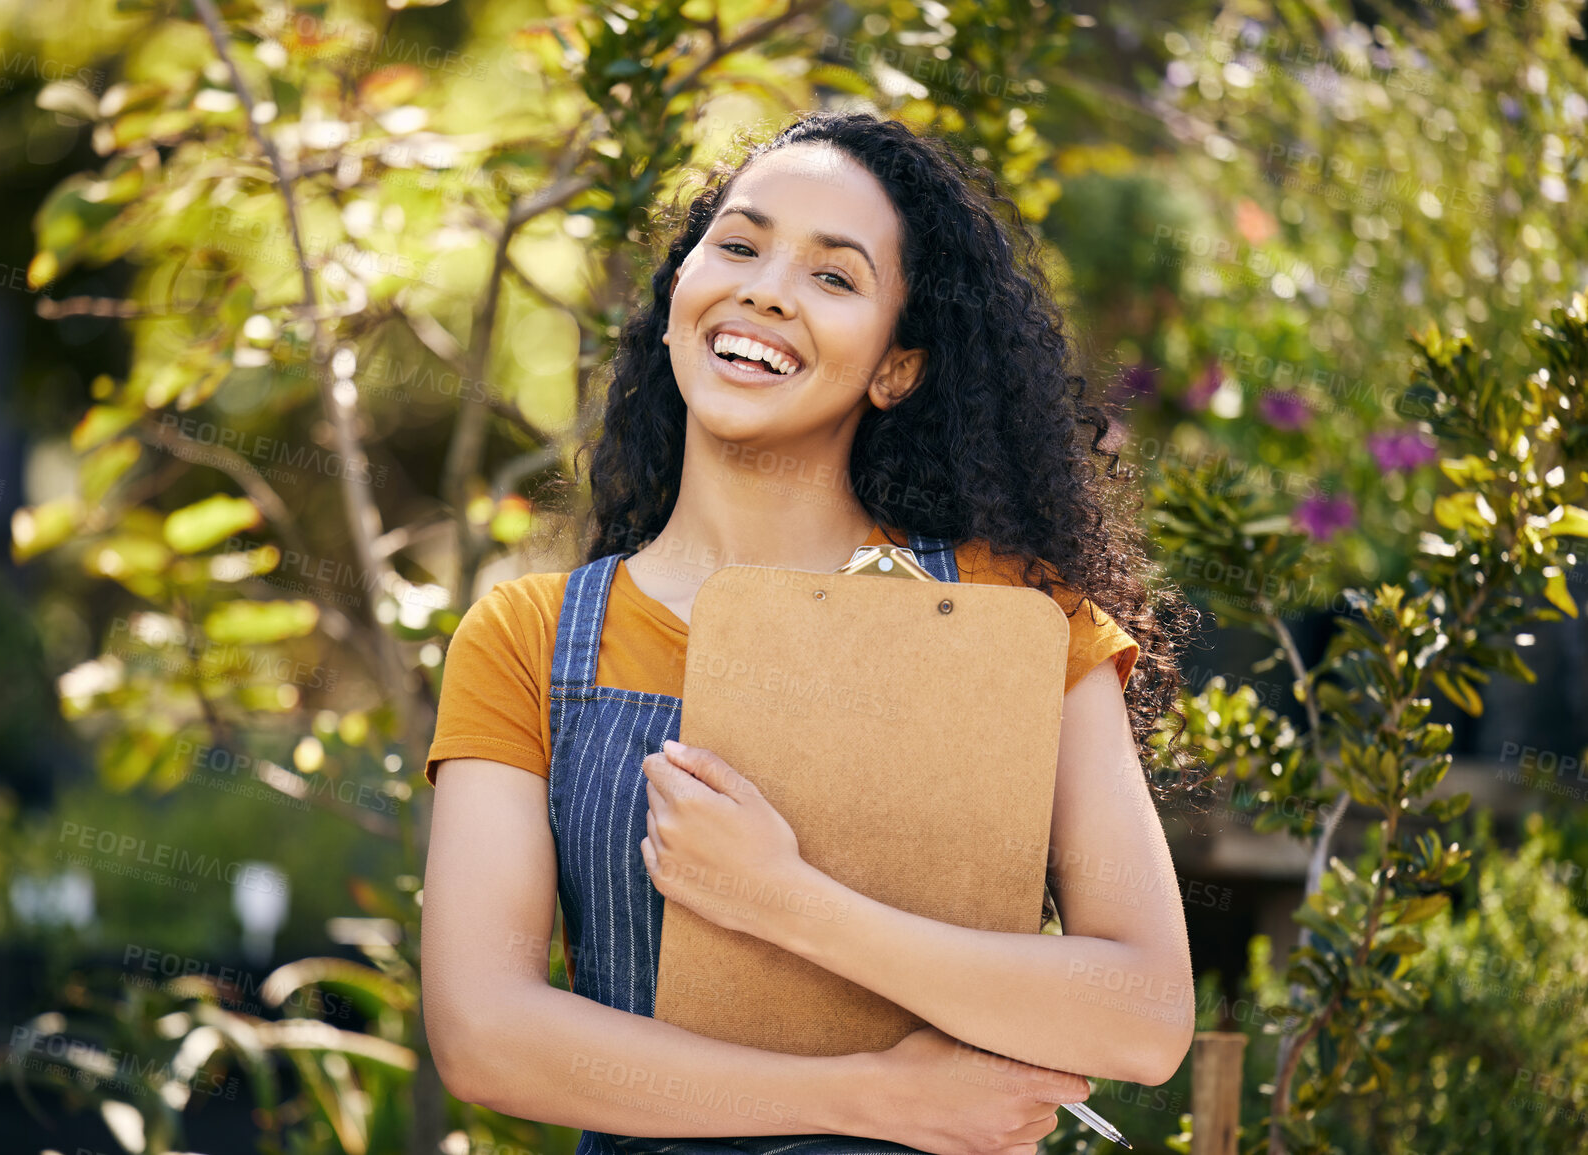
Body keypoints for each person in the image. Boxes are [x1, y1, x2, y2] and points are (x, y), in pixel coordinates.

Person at [420, 109, 1199, 1155]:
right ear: (676, 303)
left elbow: (1144, 1014)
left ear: (897, 368)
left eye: (836, 278)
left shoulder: (1016, 618)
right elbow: (487, 1037)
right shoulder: (529, 640)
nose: (768, 289)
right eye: (738, 246)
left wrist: (785, 902)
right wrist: (872, 1099)